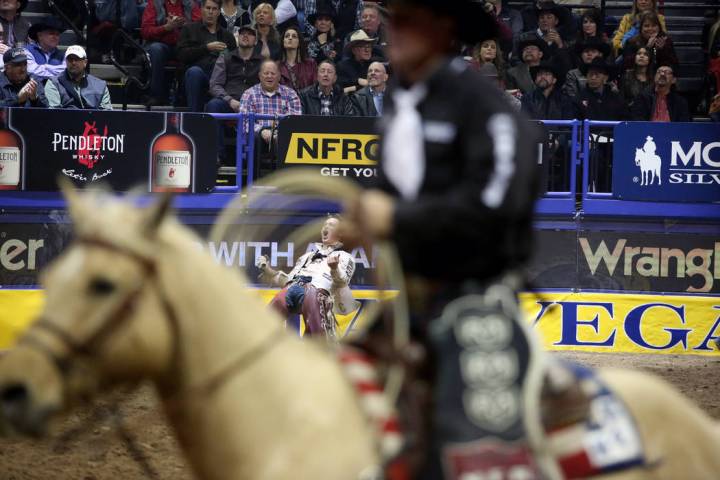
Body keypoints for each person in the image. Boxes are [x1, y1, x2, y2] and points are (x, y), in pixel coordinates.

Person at [341, 1, 551, 478]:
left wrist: (395, 218)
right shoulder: (401, 99)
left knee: (476, 443)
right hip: (414, 298)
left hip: (478, 295)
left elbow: (495, 206)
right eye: (395, 19)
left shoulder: (482, 103)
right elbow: (396, 187)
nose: (395, 31)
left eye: (411, 20)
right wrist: (366, 217)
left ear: (444, 31)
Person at [256, 215, 357, 341]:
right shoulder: (307, 256)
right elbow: (287, 281)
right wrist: (267, 270)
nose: (325, 227)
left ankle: (320, 351)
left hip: (316, 291)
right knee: (271, 312)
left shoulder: (344, 257)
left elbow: (342, 281)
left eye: (331, 225)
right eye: (324, 225)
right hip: (293, 287)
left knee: (317, 332)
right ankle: (255, 341)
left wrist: (334, 268)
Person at [177, 0, 237, 112]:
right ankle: (194, 118)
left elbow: (235, 61)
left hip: (220, 79)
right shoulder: (189, 29)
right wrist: (206, 48)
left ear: (219, 12)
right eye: (208, 8)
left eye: (214, 9)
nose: (210, 12)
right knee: (195, 72)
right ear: (201, 9)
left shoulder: (227, 36)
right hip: (197, 76)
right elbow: (181, 55)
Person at [239, 59, 301, 165]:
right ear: (259, 76)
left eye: (273, 73)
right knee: (253, 138)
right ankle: (254, 179)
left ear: (279, 76)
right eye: (266, 73)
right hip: (259, 136)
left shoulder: (290, 94)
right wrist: (262, 131)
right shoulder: (249, 94)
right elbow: (245, 122)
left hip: (281, 135)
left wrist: (277, 132)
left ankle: (284, 180)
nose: (269, 76)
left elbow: (295, 120)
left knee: (287, 139)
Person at [140, 0, 201, 106]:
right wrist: (166, 28)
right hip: (163, 45)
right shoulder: (154, 3)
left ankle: (184, 98)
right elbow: (145, 31)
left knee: (192, 51)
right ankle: (156, 96)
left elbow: (201, 30)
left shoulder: (191, 5)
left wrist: (185, 25)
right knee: (156, 49)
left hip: (184, 46)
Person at [45, 45, 112, 109]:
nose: (73, 62)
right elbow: (54, 113)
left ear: (85, 62)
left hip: (92, 120)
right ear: (66, 62)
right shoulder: (54, 83)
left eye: (77, 59)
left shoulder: (100, 85)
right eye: (70, 59)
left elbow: (106, 114)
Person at [25, 17, 66, 82]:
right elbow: (31, 71)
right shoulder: (27, 51)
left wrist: (44, 67)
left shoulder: (63, 55)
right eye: (51, 33)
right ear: (40, 35)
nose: (55, 37)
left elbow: (66, 72)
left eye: (57, 34)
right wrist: (56, 71)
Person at [278, 26, 317, 91]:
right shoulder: (276, 66)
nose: (290, 38)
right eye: (287, 36)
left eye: (294, 36)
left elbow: (316, 87)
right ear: (283, 42)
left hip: (306, 100)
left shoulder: (310, 64)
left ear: (299, 42)